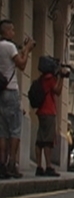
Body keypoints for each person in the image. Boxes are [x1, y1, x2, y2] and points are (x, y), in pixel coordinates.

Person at [0, 20, 34, 179]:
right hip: (11, 90)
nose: (14, 33)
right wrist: (26, 50)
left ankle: (2, 163)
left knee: (2, 131)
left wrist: (22, 48)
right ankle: (12, 163)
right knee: (14, 130)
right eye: (12, 30)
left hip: (1, 92)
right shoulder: (9, 46)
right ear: (6, 31)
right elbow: (21, 65)